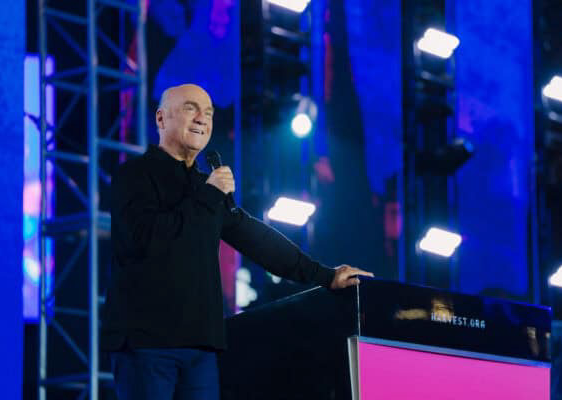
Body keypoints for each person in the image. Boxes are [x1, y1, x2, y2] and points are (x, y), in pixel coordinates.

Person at [101, 83, 374, 400]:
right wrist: (208, 195)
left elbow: (256, 239)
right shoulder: (135, 175)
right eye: (191, 108)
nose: (203, 118)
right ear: (161, 119)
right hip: (146, 343)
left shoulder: (207, 189)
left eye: (209, 113)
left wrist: (325, 276)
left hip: (201, 347)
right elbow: (145, 239)